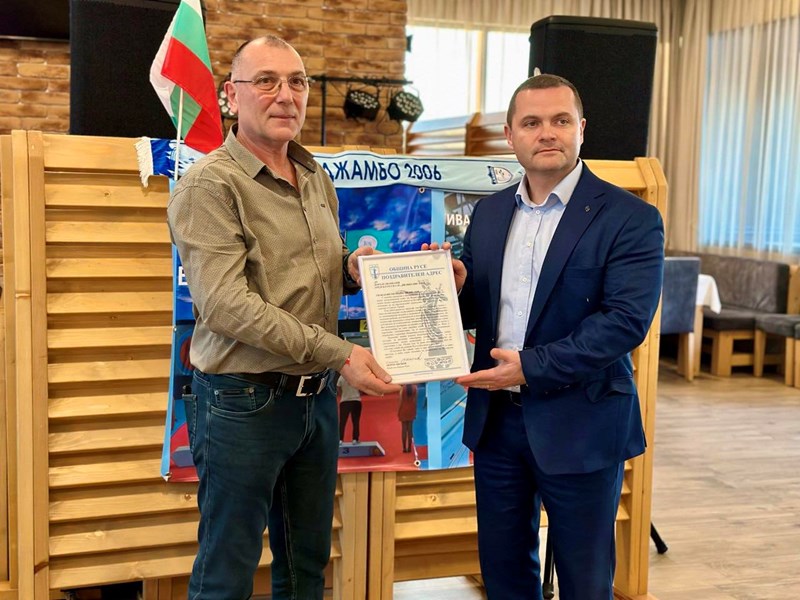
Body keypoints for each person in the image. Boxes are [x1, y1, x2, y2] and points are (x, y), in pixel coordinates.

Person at [167, 35, 398, 600]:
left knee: (305, 568)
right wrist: (341, 353)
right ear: (231, 95)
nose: (286, 95)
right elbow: (227, 305)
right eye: (266, 81)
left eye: (297, 82)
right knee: (227, 570)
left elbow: (312, 267)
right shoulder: (210, 185)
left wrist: (352, 268)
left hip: (314, 399)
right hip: (243, 401)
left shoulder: (314, 175)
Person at [452, 74, 664, 599]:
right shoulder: (489, 213)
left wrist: (530, 367)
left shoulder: (631, 218)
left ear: (581, 129)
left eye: (560, 120)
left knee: (585, 581)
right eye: (532, 122)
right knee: (503, 574)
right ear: (510, 135)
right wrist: (451, 289)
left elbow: (624, 322)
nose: (547, 133)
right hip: (498, 424)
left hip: (582, 421)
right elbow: (479, 308)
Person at [337, 375, 362, 444]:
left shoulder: (341, 377)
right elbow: (361, 388)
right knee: (356, 421)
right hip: (356, 400)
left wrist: (343, 395)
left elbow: (338, 387)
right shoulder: (356, 376)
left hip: (345, 401)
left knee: (342, 422)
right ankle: (355, 439)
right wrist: (357, 394)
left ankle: (340, 439)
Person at [397, 383, 418, 452]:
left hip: (403, 409)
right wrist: (414, 410)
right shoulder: (415, 388)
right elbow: (415, 401)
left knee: (404, 429)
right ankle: (409, 447)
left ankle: (404, 448)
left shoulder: (402, 389)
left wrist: (398, 411)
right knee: (410, 430)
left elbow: (400, 401)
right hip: (411, 409)